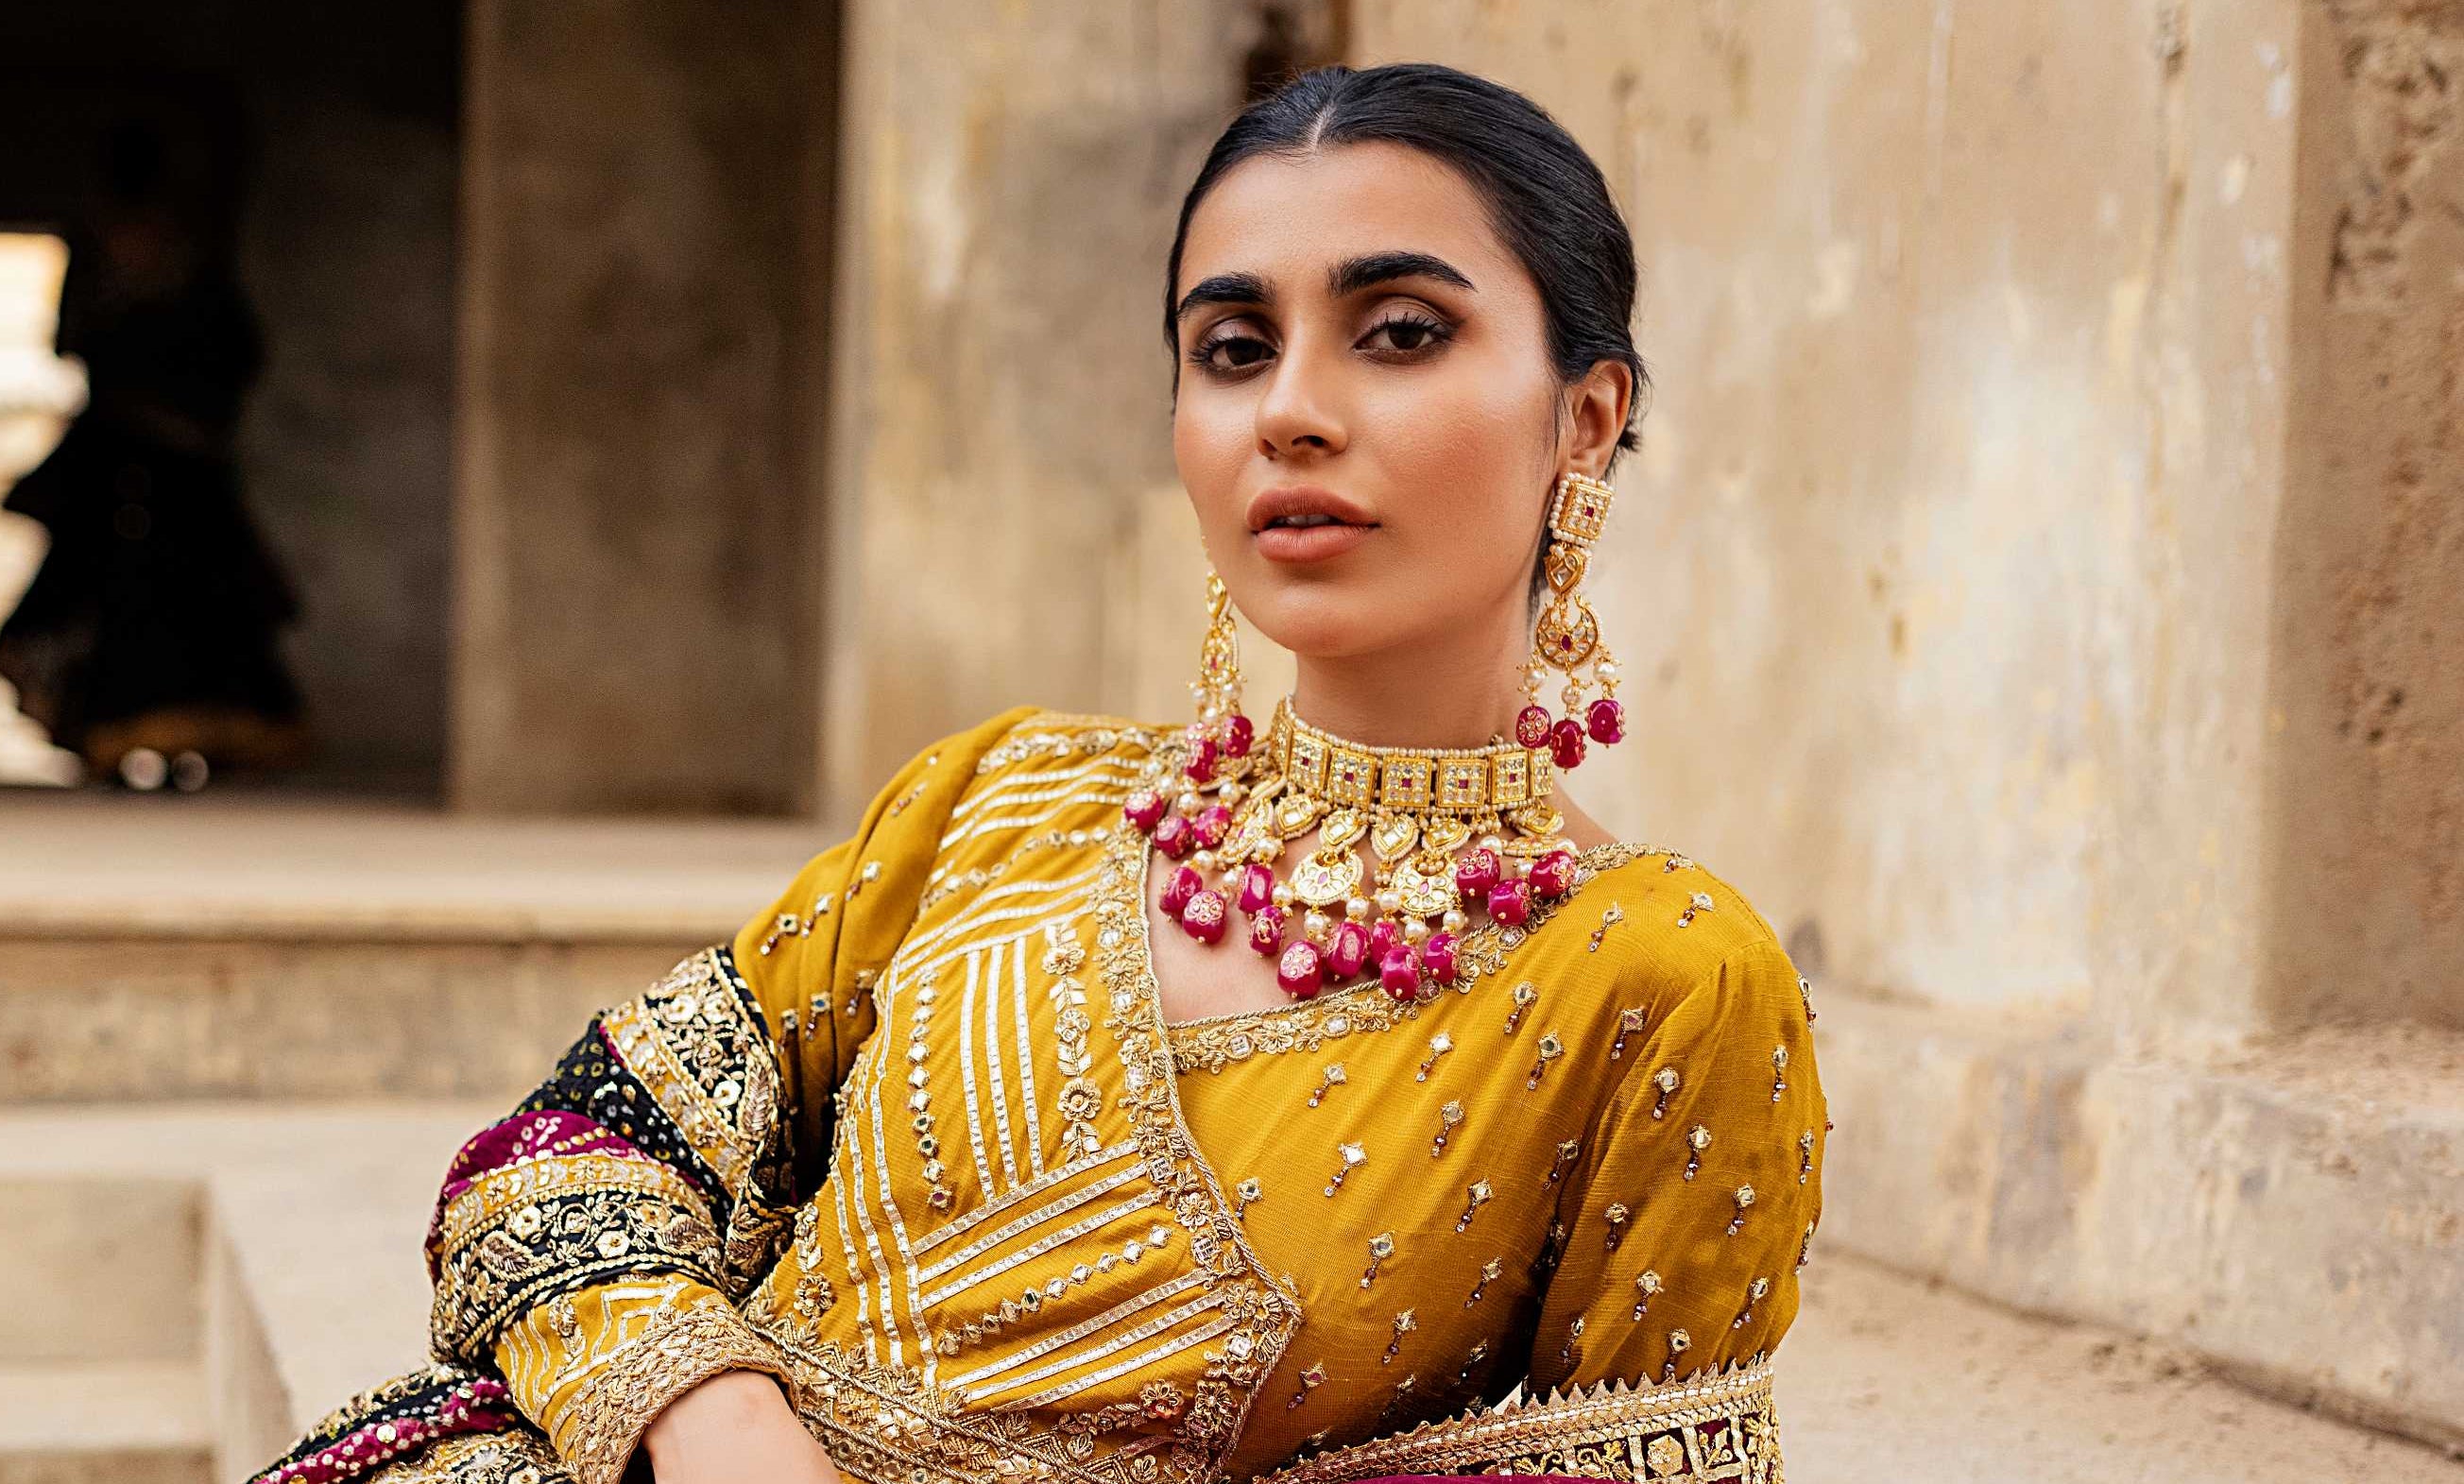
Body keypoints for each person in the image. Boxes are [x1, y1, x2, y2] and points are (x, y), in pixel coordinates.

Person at [251, 63, 1825, 1484]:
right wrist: (710, 1409)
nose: (1288, 410)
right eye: (1231, 347)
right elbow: (566, 1158)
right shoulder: (1011, 798)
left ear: (1586, 415)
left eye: (1399, 333)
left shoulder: (1659, 980)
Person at [0, 120, 306, 791]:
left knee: (194, 607)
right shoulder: (105, 271)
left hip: (180, 473)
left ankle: (178, 749)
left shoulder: (198, 275)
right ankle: (106, 736)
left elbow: (238, 360)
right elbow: (72, 347)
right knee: (103, 601)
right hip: (117, 468)